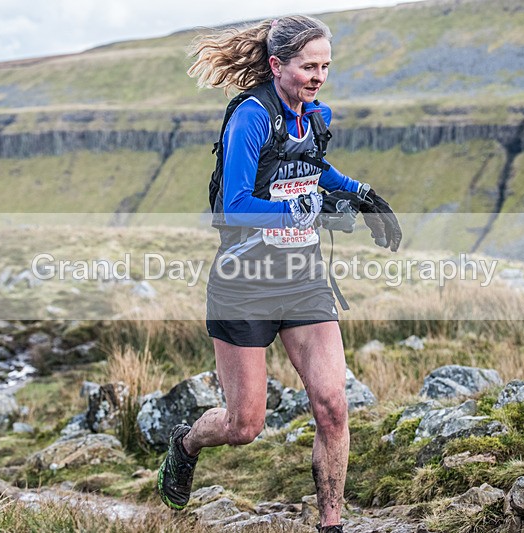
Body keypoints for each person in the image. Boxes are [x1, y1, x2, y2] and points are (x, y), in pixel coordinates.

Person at [157, 16, 400, 532]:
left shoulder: (314, 115)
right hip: (243, 285)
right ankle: (187, 442)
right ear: (276, 65)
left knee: (333, 407)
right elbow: (236, 204)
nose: (319, 76)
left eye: (326, 66)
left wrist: (361, 193)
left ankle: (331, 524)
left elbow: (316, 167)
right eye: (309, 66)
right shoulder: (250, 117)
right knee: (244, 425)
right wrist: (302, 210)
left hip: (303, 279)